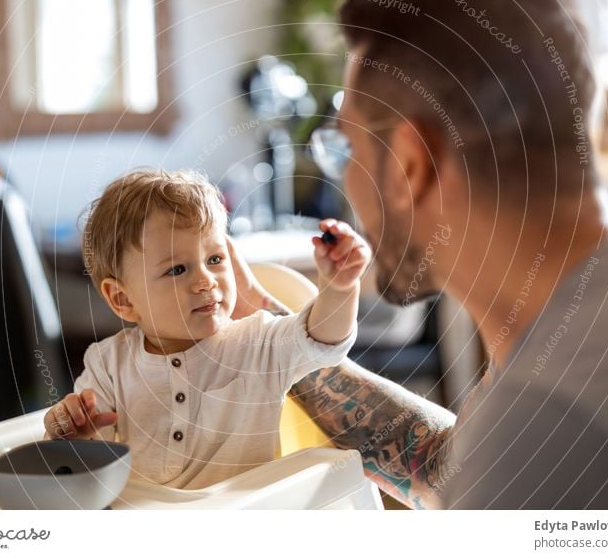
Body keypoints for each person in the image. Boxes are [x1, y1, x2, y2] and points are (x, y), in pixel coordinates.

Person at [229, 0, 608, 509]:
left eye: (346, 148)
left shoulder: (551, 426)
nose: (346, 180)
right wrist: (271, 334)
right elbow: (455, 468)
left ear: (410, 163)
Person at [43, 169, 369, 489]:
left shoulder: (257, 344)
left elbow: (322, 339)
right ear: (123, 298)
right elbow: (86, 463)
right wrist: (72, 433)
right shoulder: (107, 365)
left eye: (214, 259)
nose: (205, 281)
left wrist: (340, 287)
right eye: (178, 269)